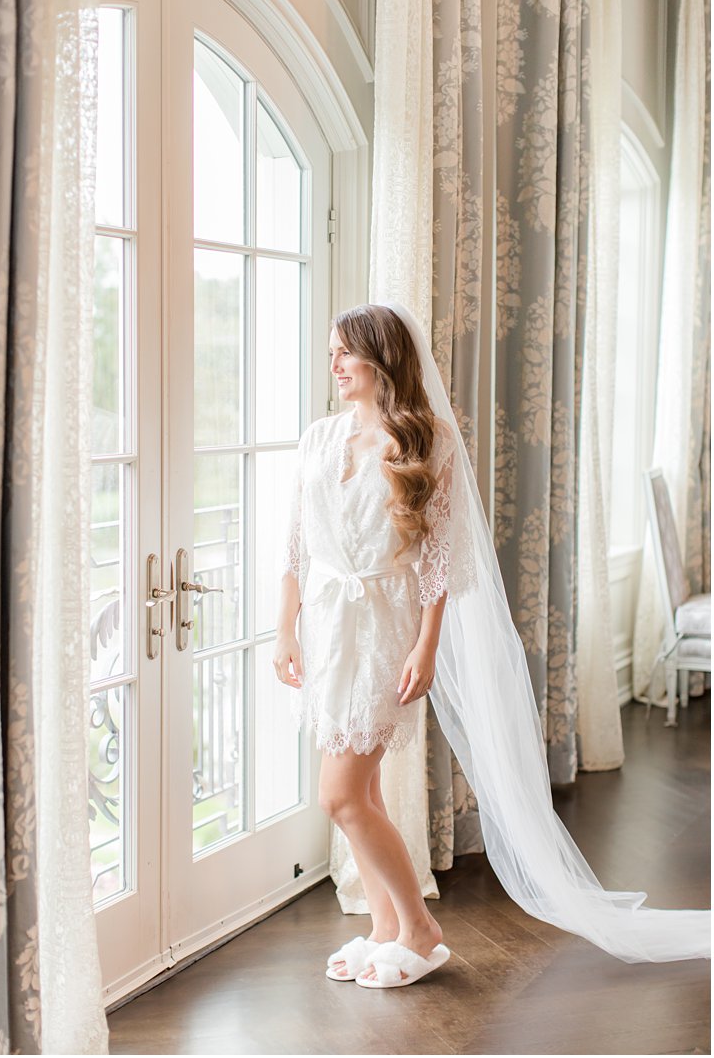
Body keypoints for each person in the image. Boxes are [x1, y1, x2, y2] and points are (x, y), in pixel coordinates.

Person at [274, 302, 710, 990]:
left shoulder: (430, 441)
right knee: (362, 789)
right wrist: (284, 629)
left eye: (344, 353)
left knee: (340, 795)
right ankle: (387, 927)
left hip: (382, 630)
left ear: (381, 359)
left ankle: (417, 926)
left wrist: (426, 644)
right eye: (330, 351)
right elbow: (297, 545)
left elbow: (440, 561)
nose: (332, 365)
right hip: (328, 629)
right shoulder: (318, 440)